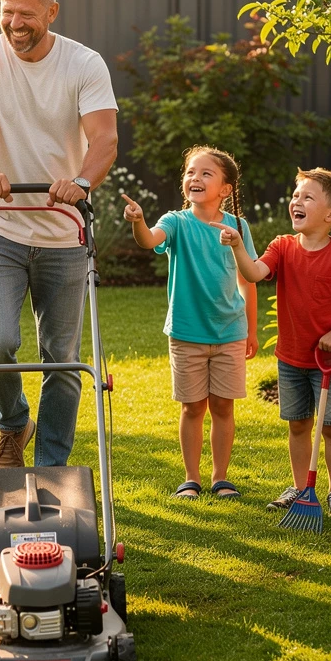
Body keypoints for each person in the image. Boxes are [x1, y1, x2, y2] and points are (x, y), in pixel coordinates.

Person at [0, 0, 118, 468]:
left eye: (27, 14)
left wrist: (81, 182)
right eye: (7, 12)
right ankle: (15, 421)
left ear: (52, 11)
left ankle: (52, 468)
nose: (15, 24)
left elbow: (104, 138)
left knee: (62, 359)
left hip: (63, 228)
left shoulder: (83, 64)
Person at [214, 167, 331, 515]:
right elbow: (254, 273)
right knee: (298, 425)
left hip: (329, 361)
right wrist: (238, 246)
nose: (296, 201)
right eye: (296, 195)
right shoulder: (282, 246)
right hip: (291, 358)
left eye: (307, 197)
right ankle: (300, 488)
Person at [122, 146, 258, 500]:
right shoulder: (176, 222)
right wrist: (138, 221)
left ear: (225, 189)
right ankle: (191, 479)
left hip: (230, 332)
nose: (194, 178)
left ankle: (221, 478)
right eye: (190, 172)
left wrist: (251, 330)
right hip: (186, 333)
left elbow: (248, 279)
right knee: (193, 407)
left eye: (205, 173)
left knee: (223, 407)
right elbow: (149, 239)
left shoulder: (238, 227)